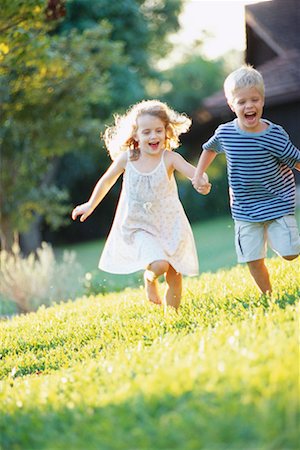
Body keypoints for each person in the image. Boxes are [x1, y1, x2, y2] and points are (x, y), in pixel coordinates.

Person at [72, 99, 211, 309]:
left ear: (167, 132)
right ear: (136, 135)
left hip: (170, 224)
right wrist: (90, 204)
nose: (153, 136)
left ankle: (173, 315)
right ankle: (149, 279)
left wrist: (202, 181)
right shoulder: (127, 159)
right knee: (160, 264)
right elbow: (107, 180)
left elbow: (196, 174)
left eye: (158, 130)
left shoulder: (170, 158)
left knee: (175, 274)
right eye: (146, 132)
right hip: (139, 224)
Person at [192, 65, 300, 295]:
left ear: (262, 101)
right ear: (232, 105)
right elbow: (209, 149)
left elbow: (295, 159)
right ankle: (268, 296)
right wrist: (199, 174)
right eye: (242, 102)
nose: (249, 106)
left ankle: (276, 235)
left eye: (254, 99)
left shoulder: (274, 134)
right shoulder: (225, 133)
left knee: (290, 253)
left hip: (277, 202)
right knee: (253, 259)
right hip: (244, 209)